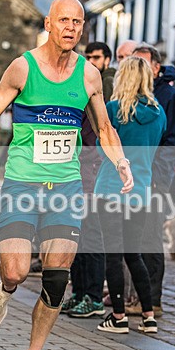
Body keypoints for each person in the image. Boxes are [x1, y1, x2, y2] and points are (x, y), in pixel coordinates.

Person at [0, 0, 133, 350]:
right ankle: (6, 289)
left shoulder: (89, 75)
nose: (71, 28)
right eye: (64, 20)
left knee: (57, 279)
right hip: (22, 183)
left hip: (65, 186)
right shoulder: (23, 68)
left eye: (77, 22)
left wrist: (121, 160)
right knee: (18, 270)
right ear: (49, 23)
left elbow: (105, 128)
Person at [93, 56, 166, 334]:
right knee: (134, 254)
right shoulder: (159, 113)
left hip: (111, 187)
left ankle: (119, 317)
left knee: (113, 255)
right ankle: (148, 316)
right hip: (140, 191)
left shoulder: (113, 110)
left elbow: (103, 149)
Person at [131, 44, 175, 315]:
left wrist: (158, 176)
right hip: (133, 177)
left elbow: (173, 142)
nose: (136, 67)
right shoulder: (134, 94)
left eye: (141, 62)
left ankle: (153, 299)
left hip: (154, 178)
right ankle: (135, 296)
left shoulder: (169, 96)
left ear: (155, 67)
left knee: (151, 237)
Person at [65, 42, 115, 318]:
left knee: (91, 236)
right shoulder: (78, 98)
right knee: (77, 235)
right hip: (76, 171)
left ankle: (93, 297)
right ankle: (79, 292)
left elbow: (97, 138)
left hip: (91, 172)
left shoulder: (97, 102)